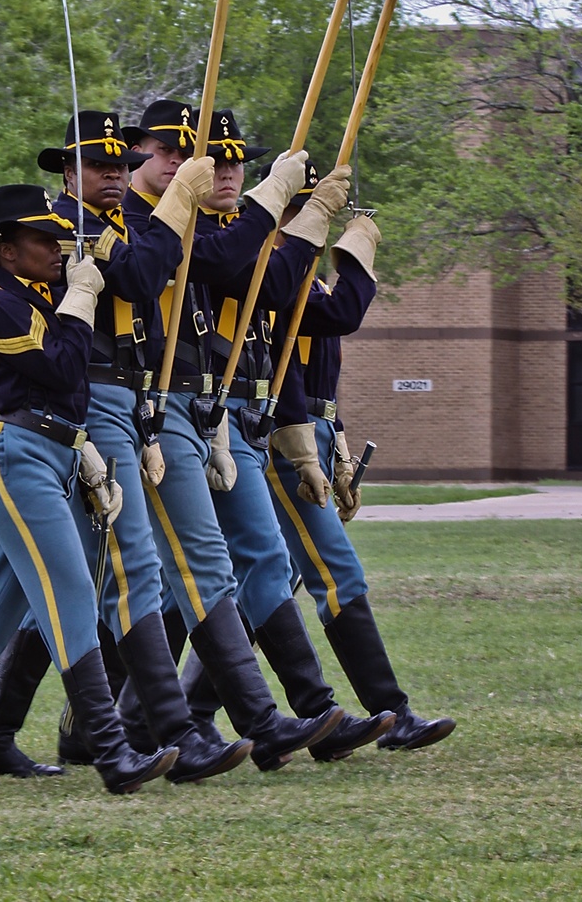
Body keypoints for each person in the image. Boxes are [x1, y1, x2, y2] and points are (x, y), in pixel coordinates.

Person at [0, 113, 252, 785]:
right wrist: (178, 206)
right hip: (70, 410)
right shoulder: (68, 230)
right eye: (98, 163)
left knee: (31, 591)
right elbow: (145, 278)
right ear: (66, 172)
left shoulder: (111, 224)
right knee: (128, 570)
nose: (114, 173)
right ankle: (171, 732)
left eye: (122, 162)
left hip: (113, 406)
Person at [0, 182, 179, 795]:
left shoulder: (39, 294)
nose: (57, 248)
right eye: (41, 239)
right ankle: (112, 755)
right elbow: (60, 366)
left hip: (56, 452)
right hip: (17, 454)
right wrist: (80, 297)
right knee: (73, 590)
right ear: (6, 250)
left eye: (58, 236)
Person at [120, 101, 345, 769]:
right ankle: (222, 721)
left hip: (209, 412)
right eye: (176, 151)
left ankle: (289, 712)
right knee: (149, 579)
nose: (204, 166)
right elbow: (210, 265)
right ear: (143, 153)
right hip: (140, 412)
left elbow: (274, 294)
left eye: (223, 158)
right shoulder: (137, 222)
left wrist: (303, 221)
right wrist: (277, 202)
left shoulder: (190, 218)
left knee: (242, 561)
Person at [172, 119, 395, 758]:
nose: (229, 173)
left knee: (248, 572)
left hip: (262, 419)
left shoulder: (249, 248)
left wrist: (353, 255)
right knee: (174, 582)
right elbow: (268, 284)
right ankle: (153, 721)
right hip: (203, 414)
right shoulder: (201, 239)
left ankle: (296, 718)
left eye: (239, 164)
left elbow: (330, 319)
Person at [265, 174, 457, 755]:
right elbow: (346, 310)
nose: (316, 227)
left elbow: (322, 376)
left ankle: (250, 727)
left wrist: (340, 448)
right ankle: (389, 713)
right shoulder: (276, 280)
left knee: (265, 581)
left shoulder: (304, 280)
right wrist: (358, 249)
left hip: (317, 429)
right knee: (334, 573)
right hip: (284, 436)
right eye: (309, 215)